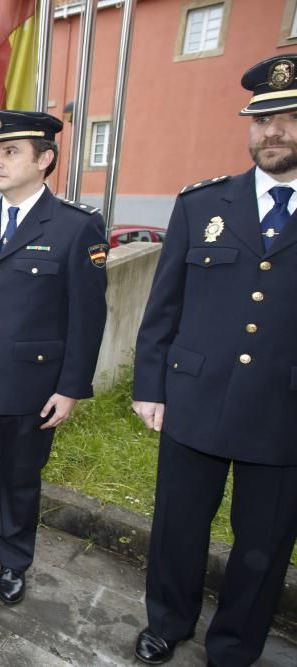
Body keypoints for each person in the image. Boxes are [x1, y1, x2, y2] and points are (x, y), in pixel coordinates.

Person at [131, 54, 297, 667]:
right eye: (260, 119)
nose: (271, 130)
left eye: (286, 117)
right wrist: (150, 385)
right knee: (178, 526)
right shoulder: (204, 204)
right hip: (194, 396)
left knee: (264, 542)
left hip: (284, 407)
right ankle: (167, 621)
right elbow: (163, 304)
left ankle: (234, 645)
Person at [0, 110, 108, 606]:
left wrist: (71, 388)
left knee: (21, 478)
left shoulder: (76, 227)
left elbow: (87, 318)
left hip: (34, 383)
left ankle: (13, 559)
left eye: (11, 152)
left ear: (44, 159)